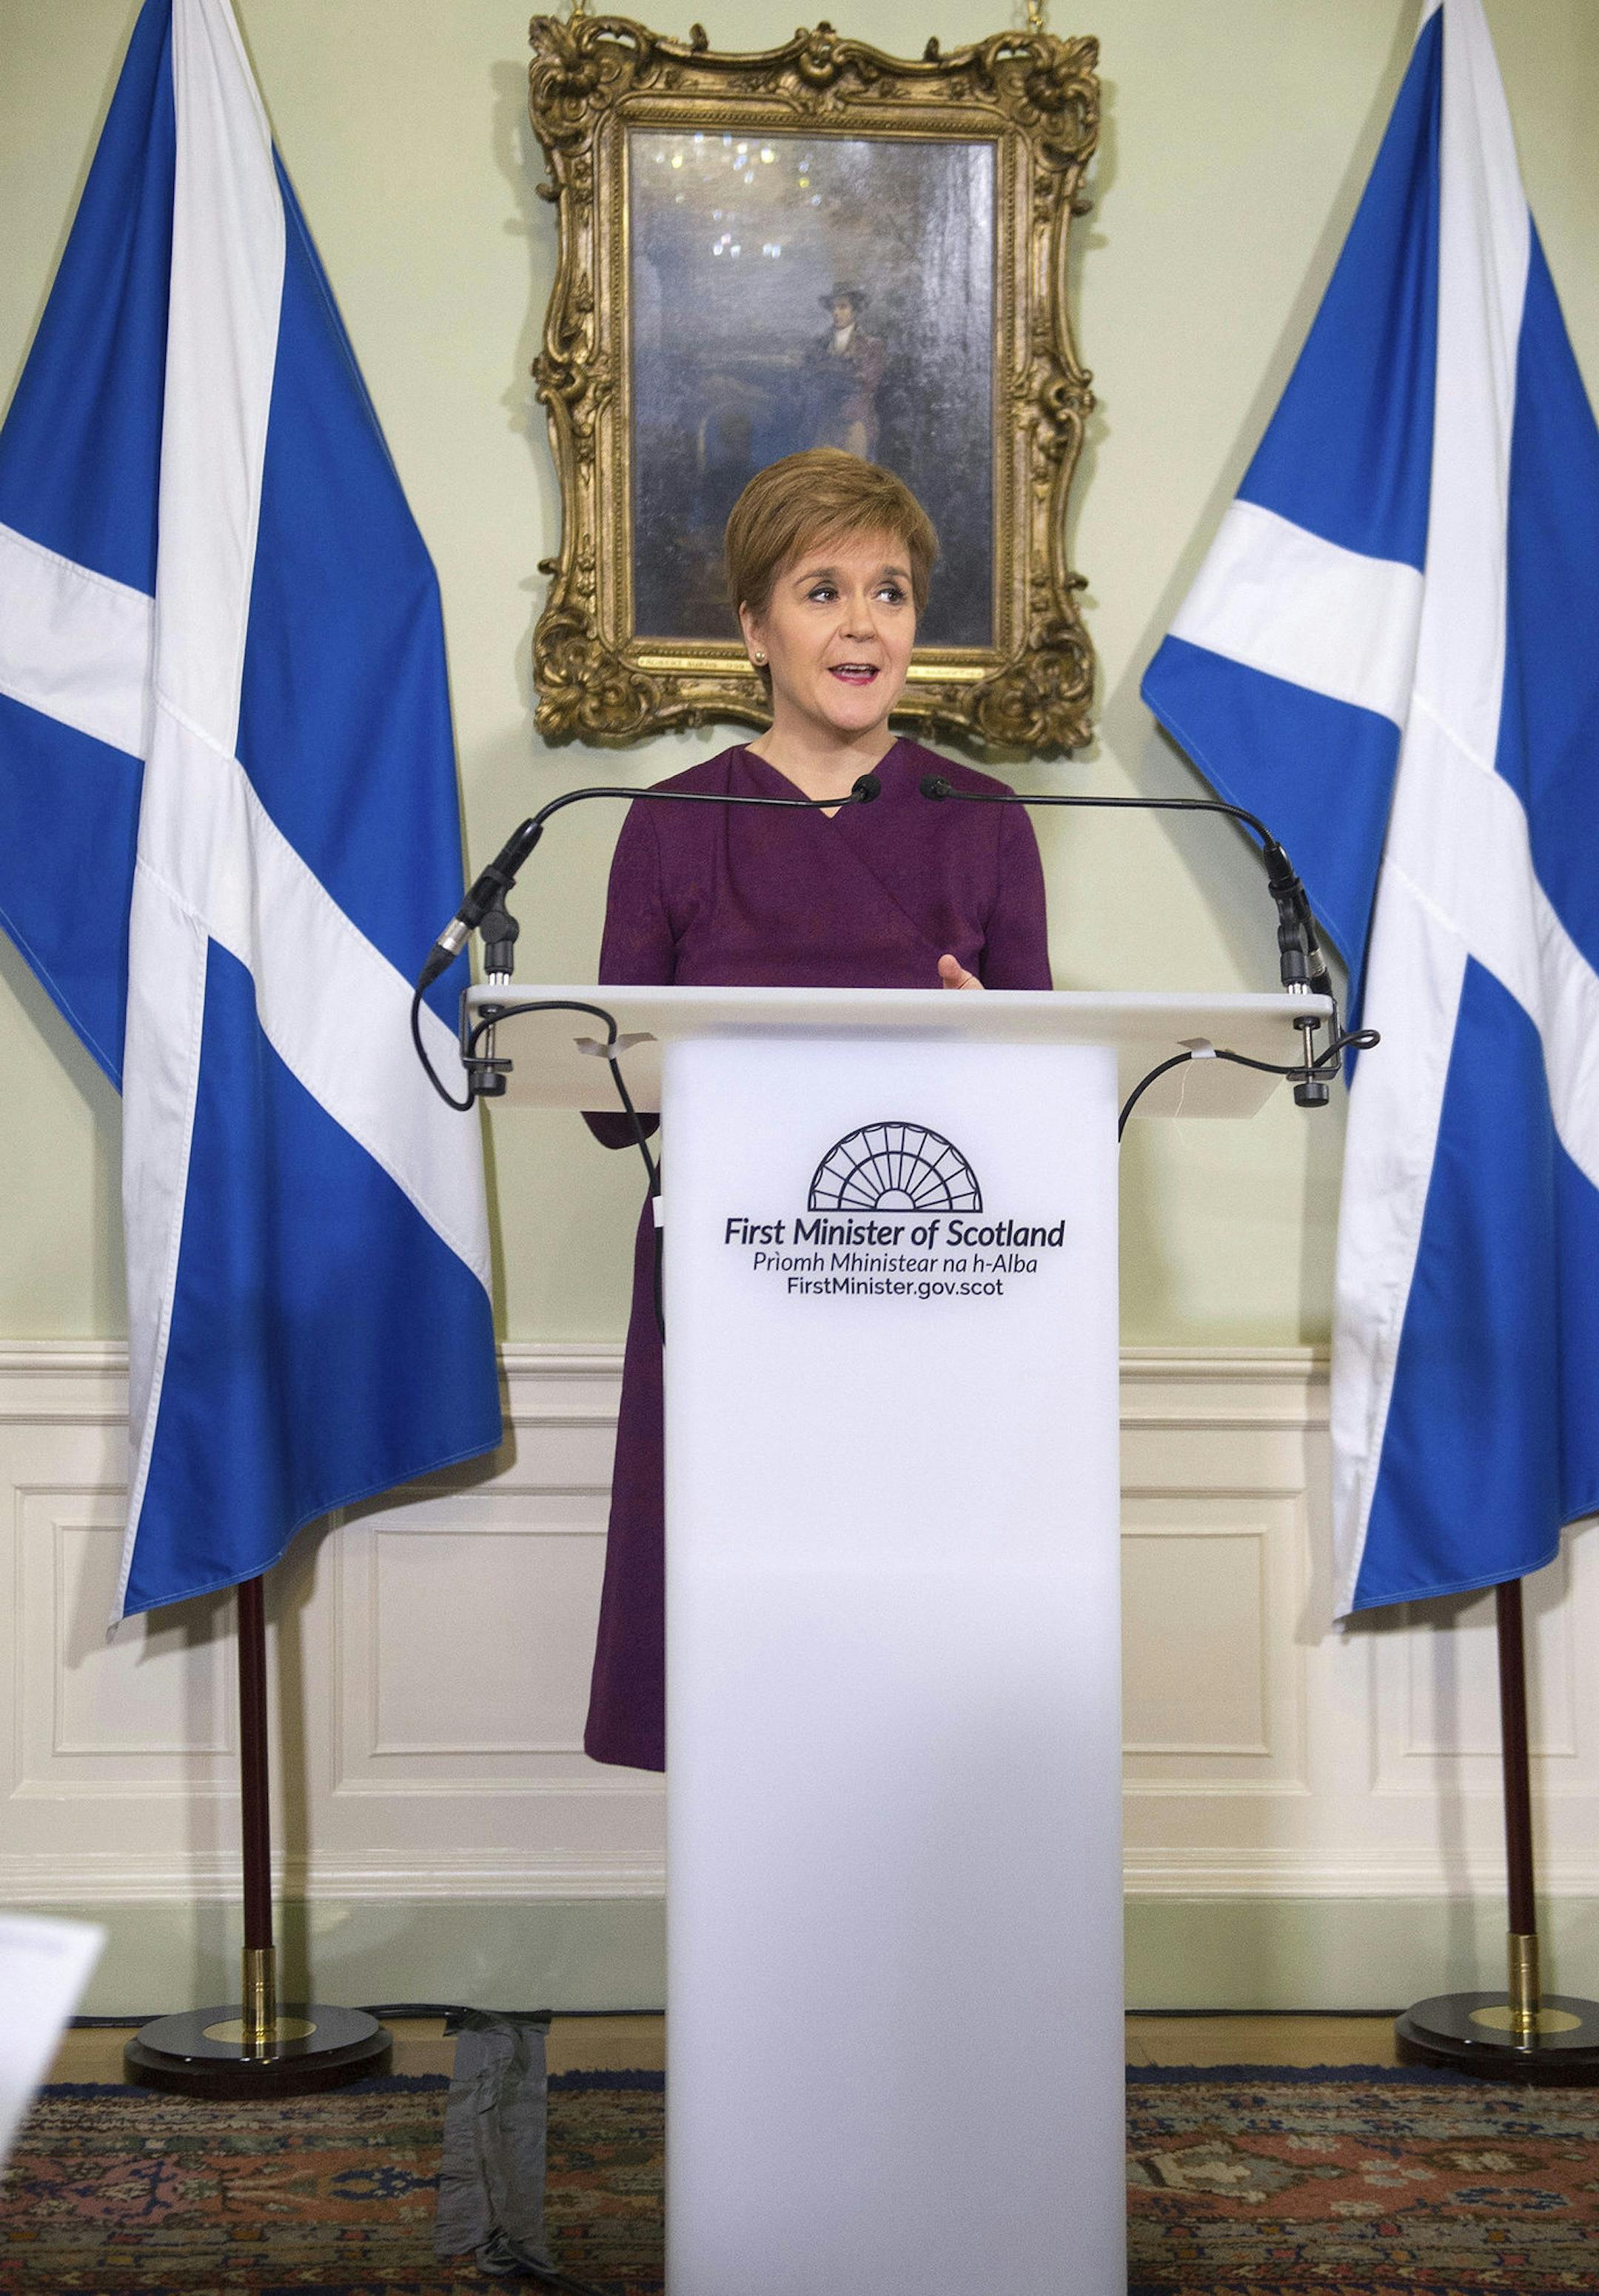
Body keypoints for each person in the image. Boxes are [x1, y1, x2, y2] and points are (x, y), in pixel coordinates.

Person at [583, 447, 1051, 1770]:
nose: (863, 624)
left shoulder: (987, 822)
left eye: (891, 591)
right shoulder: (673, 824)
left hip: (936, 1291)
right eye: (823, 589)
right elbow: (610, 1112)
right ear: (754, 626)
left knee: (908, 1679)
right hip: (738, 1293)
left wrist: (991, 1054)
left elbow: (1046, 1107)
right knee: (751, 1682)